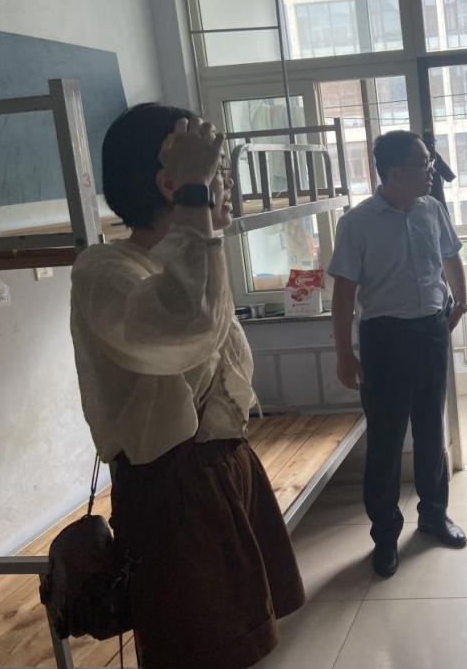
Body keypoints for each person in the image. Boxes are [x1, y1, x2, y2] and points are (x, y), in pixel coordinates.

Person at [70, 105, 304, 668]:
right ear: (170, 185)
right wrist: (197, 195)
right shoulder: (104, 272)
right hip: (174, 490)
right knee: (197, 649)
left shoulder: (183, 265)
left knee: (242, 640)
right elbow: (189, 327)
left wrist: (196, 202)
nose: (227, 186)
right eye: (216, 174)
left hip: (221, 468)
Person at [328, 130, 467, 579]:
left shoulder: (432, 210)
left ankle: (434, 515)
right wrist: (344, 354)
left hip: (431, 330)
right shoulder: (357, 222)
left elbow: (450, 256)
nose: (431, 171)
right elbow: (343, 294)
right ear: (392, 172)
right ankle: (385, 534)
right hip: (384, 337)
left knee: (431, 429)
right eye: (423, 163)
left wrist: (461, 301)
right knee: (387, 440)